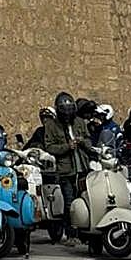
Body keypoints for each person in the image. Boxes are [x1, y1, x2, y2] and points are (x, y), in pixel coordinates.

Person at [44, 92, 92, 246]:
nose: (67, 116)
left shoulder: (80, 122)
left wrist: (83, 142)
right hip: (65, 169)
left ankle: (84, 233)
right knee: (69, 202)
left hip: (82, 167)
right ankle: (71, 234)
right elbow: (50, 147)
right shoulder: (51, 125)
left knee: (85, 201)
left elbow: (89, 141)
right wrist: (67, 147)